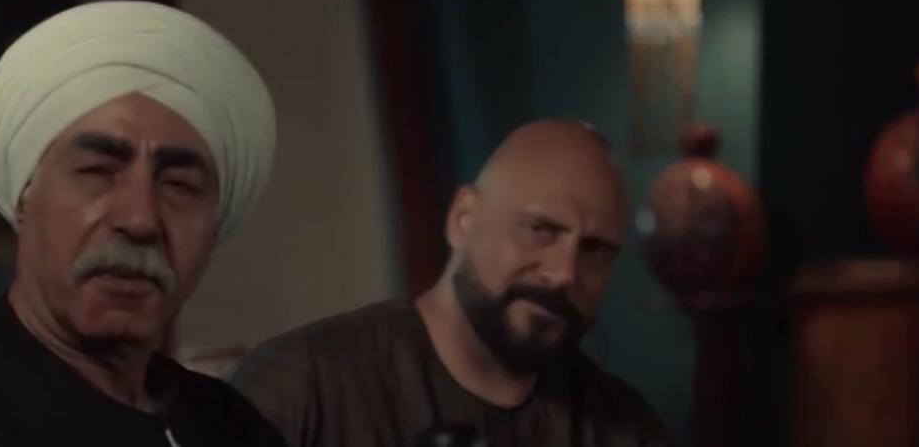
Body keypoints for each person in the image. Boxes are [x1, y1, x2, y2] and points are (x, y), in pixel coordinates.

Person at [0, 1, 286, 447]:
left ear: (214, 228)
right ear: (26, 195)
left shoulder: (231, 424)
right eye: (98, 172)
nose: (140, 220)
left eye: (179, 185)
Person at [232, 120, 669, 447]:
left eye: (594, 249)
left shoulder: (624, 426)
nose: (564, 273)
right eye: (541, 229)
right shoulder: (303, 385)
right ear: (463, 219)